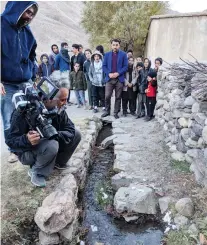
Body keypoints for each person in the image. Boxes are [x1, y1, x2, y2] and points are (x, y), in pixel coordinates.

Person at [6, 86, 81, 187]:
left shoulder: (58, 109)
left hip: (48, 144)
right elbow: (10, 141)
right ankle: (37, 172)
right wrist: (26, 140)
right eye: (62, 99)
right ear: (49, 98)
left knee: (76, 134)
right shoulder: (24, 110)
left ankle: (59, 163)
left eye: (66, 99)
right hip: (27, 152)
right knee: (52, 145)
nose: (65, 102)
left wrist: (54, 134)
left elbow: (70, 129)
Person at [1, 1, 38, 163]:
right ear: (17, 9)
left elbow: (32, 54)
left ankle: (30, 143)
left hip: (26, 81)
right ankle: (13, 149)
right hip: (6, 83)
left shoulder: (26, 30)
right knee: (9, 117)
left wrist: (33, 75)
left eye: (32, 13)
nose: (30, 16)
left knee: (32, 112)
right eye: (27, 12)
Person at [102, 38, 128, 119]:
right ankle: (107, 111)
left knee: (118, 97)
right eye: (113, 45)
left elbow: (125, 66)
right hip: (109, 79)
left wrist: (118, 73)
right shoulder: (106, 55)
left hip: (119, 79)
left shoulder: (123, 54)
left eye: (117, 45)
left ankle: (116, 112)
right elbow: (104, 66)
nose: (115, 46)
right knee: (107, 96)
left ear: (119, 45)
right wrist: (108, 73)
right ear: (111, 45)